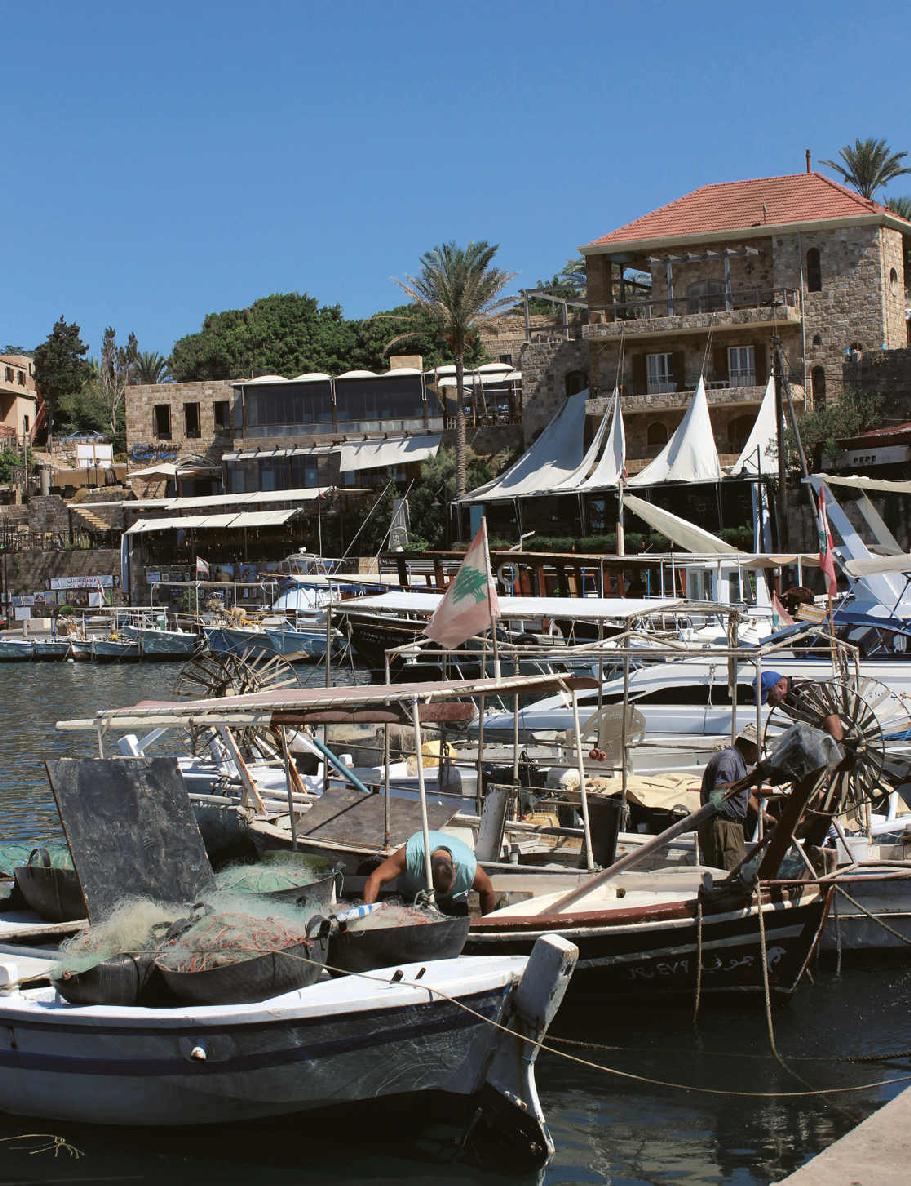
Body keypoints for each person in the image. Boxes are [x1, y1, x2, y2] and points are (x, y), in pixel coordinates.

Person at [363, 829, 497, 914]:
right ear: (426, 873)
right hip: (412, 898)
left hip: (452, 901)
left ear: (455, 870)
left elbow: (488, 892)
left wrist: (486, 922)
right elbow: (376, 878)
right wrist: (366, 914)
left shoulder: (468, 868)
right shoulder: (411, 855)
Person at [698, 725, 771, 871]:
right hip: (723, 824)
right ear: (752, 747)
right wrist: (750, 780)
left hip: (729, 826)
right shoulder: (729, 758)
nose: (759, 757)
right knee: (730, 871)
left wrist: (764, 815)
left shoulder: (738, 763)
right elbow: (718, 791)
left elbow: (746, 795)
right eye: (760, 751)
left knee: (735, 869)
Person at [753, 671, 845, 741]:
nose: (771, 705)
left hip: (841, 735)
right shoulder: (785, 698)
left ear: (781, 686)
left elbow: (831, 717)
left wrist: (836, 752)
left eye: (770, 698)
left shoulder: (807, 692)